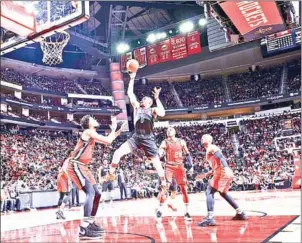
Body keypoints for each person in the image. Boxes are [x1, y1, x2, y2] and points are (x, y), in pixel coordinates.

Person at [67, 115, 126, 239]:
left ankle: (91, 222)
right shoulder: (88, 132)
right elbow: (108, 141)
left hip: (84, 167)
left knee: (97, 193)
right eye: (93, 119)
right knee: (90, 192)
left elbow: (108, 140)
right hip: (76, 165)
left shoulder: (92, 133)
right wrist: (114, 127)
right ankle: (84, 228)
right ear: (88, 123)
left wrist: (118, 132)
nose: (96, 119)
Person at [109, 71, 167, 195]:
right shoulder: (136, 107)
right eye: (143, 98)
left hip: (148, 138)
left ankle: (163, 184)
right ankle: (111, 173)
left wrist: (157, 98)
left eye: (145, 99)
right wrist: (132, 78)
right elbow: (130, 93)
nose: (142, 100)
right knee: (117, 153)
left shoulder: (153, 110)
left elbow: (163, 113)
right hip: (136, 137)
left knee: (157, 163)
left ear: (149, 103)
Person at [196, 134, 248, 227]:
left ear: (210, 140)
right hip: (222, 172)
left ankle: (210, 218)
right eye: (202, 137)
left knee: (209, 191)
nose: (202, 137)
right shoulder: (209, 150)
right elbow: (217, 164)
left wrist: (227, 167)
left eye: (205, 137)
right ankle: (241, 213)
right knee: (223, 193)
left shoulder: (212, 147)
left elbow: (221, 157)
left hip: (222, 172)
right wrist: (207, 174)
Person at [157, 127, 193, 220]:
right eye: (168, 130)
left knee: (184, 189)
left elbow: (187, 154)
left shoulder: (181, 141)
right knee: (165, 188)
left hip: (179, 167)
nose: (169, 131)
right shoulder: (164, 142)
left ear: (175, 132)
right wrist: (159, 155)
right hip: (169, 167)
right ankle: (160, 210)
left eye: (171, 130)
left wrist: (191, 165)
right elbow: (160, 151)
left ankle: (187, 211)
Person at [56, 149, 73, 220]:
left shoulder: (69, 160)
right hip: (64, 177)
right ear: (70, 154)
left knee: (61, 196)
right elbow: (64, 170)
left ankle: (58, 214)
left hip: (61, 177)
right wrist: (69, 178)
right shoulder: (69, 160)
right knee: (69, 194)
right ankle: (60, 211)